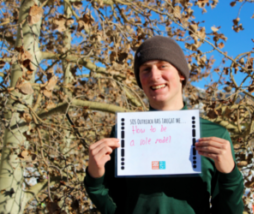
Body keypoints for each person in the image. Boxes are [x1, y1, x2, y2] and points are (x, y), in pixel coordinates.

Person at [84, 36, 244, 214]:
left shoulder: (215, 135)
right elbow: (112, 201)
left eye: (163, 66)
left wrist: (230, 175)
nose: (154, 76)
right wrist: (95, 177)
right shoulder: (124, 133)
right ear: (140, 81)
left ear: (181, 74)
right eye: (146, 69)